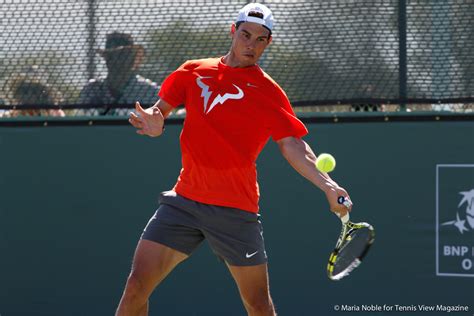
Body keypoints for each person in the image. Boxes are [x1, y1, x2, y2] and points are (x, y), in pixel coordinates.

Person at [117, 4, 352, 316]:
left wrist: (328, 185)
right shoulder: (193, 71)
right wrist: (154, 120)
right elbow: (160, 110)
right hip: (184, 202)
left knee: (258, 305)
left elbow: (293, 145)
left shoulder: (268, 91)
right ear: (233, 31)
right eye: (245, 35)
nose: (251, 45)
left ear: (268, 43)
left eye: (260, 40)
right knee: (136, 288)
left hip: (235, 211)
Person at [78, 32, 159, 116]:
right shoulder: (92, 89)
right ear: (106, 59)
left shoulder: (150, 91)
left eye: (124, 55)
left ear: (133, 58)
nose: (117, 60)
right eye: (111, 56)